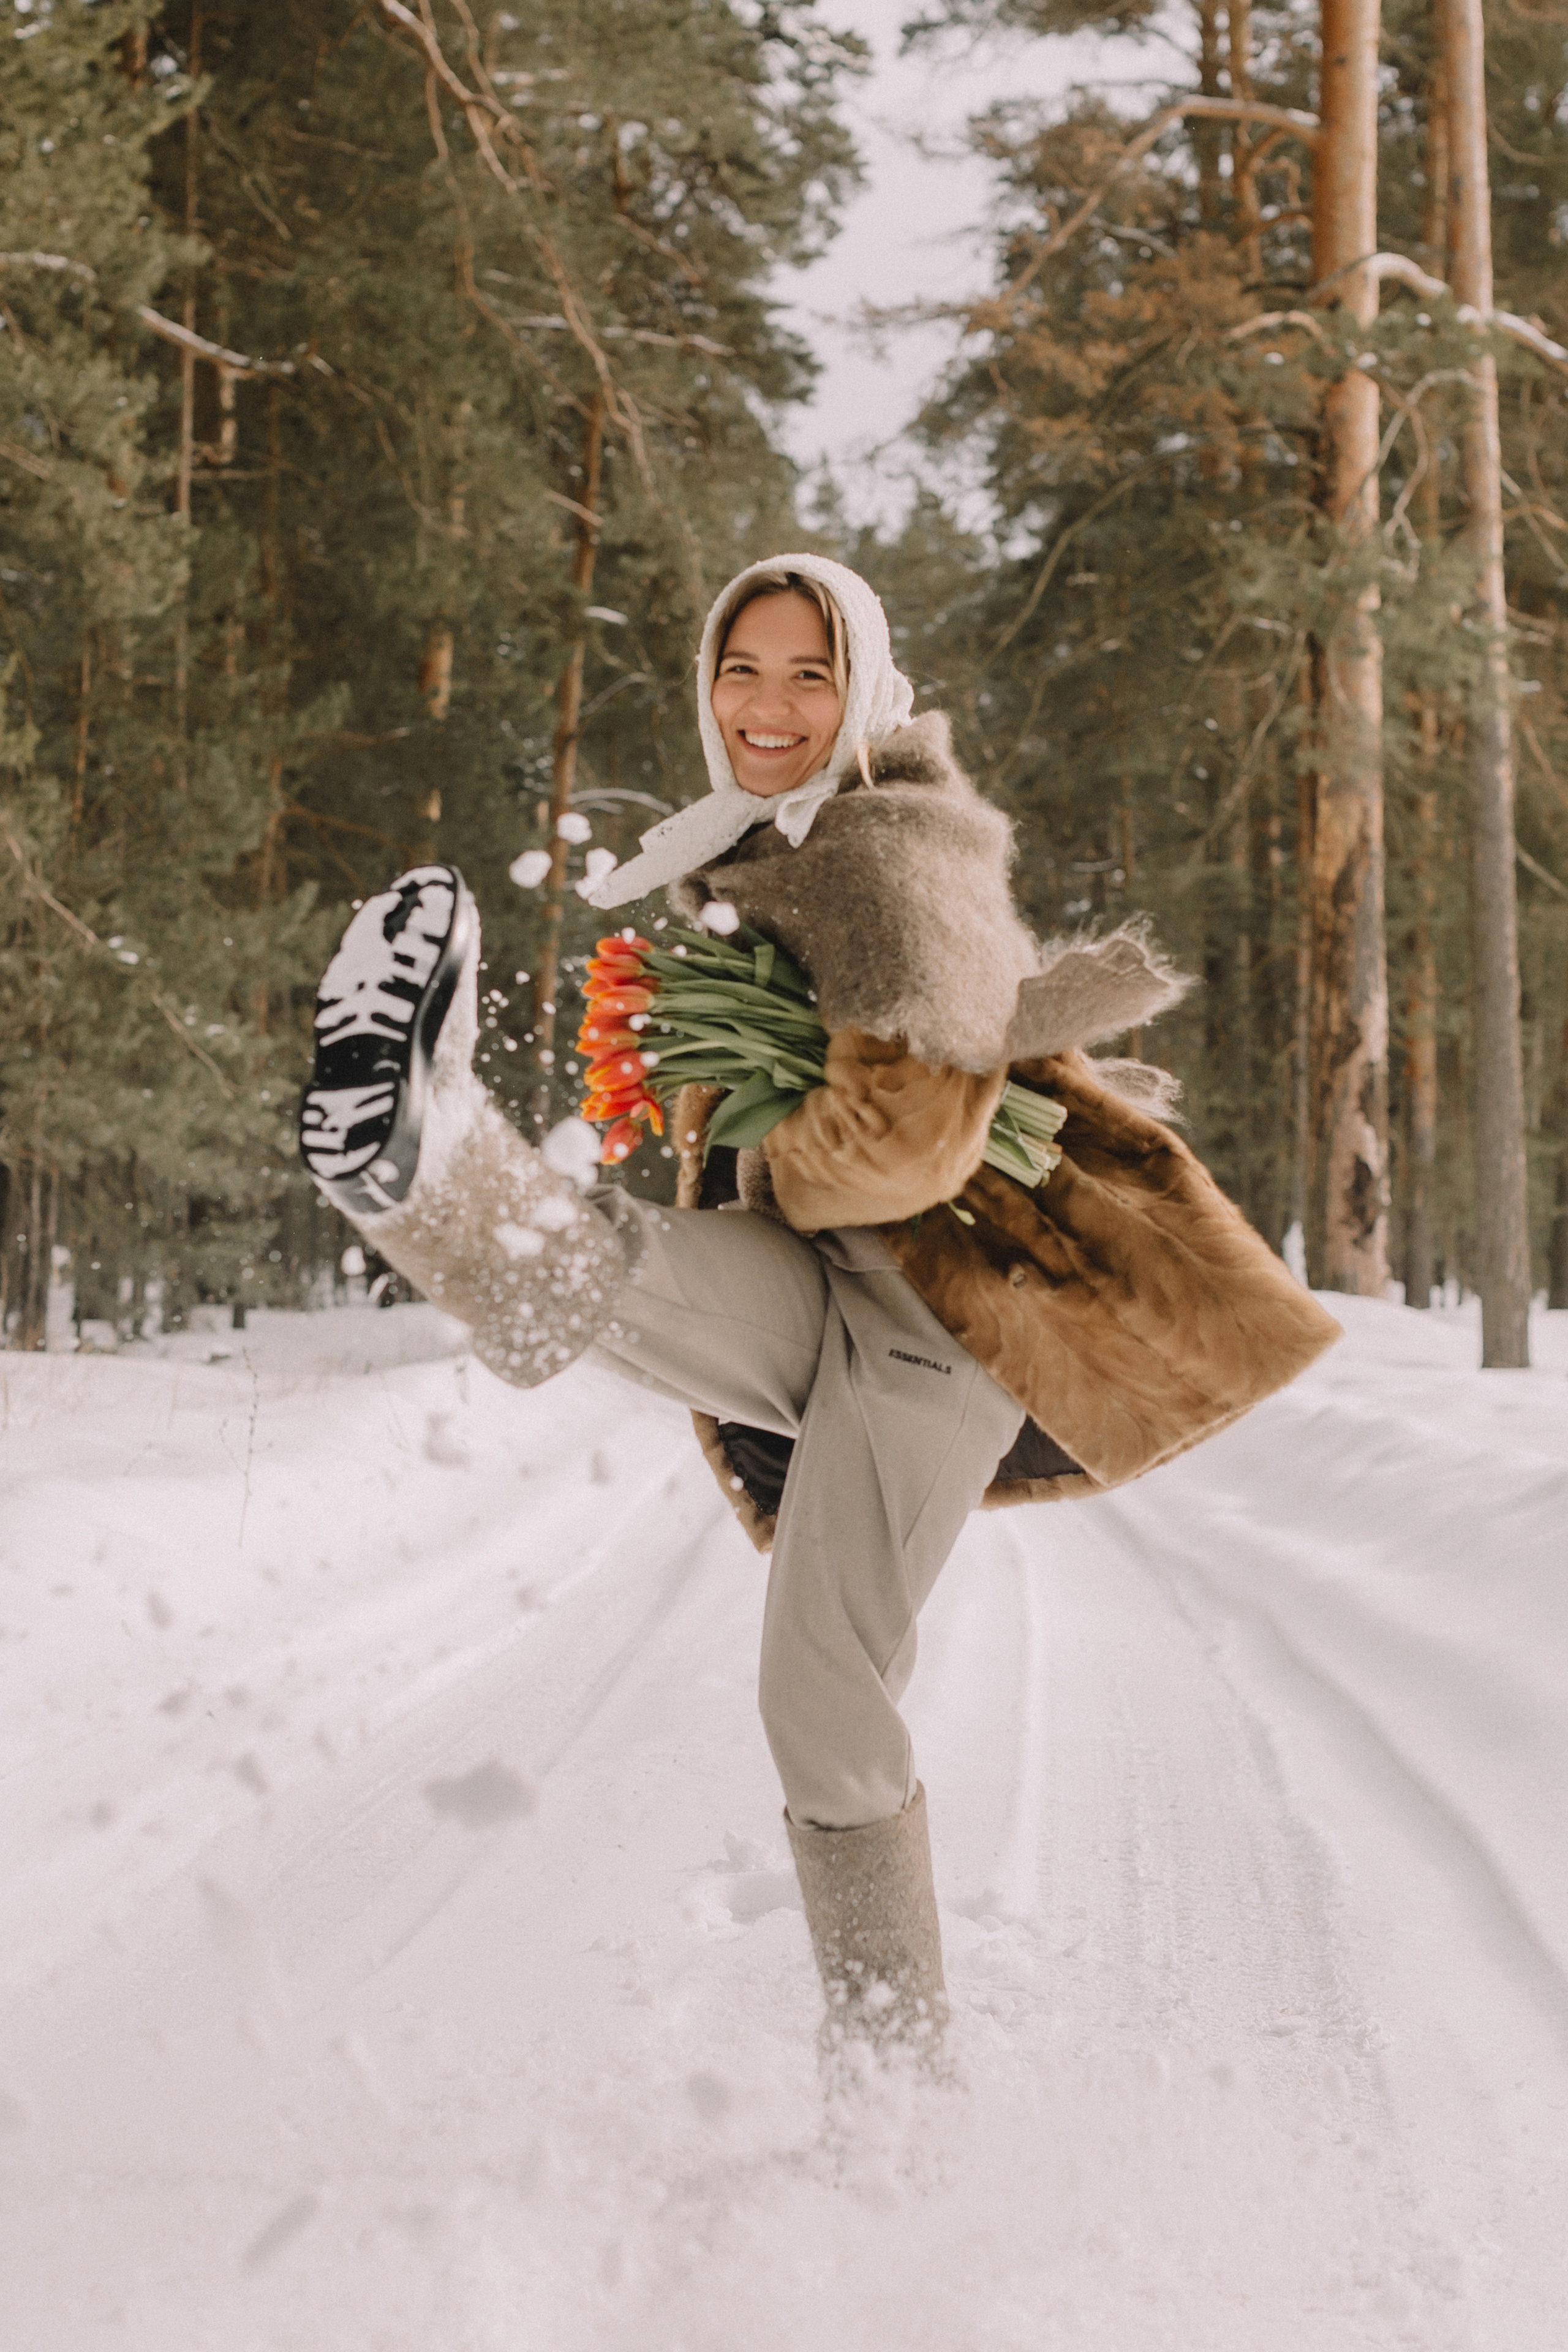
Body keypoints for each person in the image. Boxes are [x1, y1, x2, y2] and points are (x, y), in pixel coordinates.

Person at [300, 554, 1340, 2083]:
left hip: (944, 1317)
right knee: (618, 1268)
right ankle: (416, 1158)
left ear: (863, 689)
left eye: (808, 676)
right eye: (742, 671)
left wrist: (779, 1153)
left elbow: (914, 1139)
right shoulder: (746, 854)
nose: (769, 705)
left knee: (821, 1693)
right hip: (821, 1277)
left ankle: (894, 2094)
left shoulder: (891, 848)